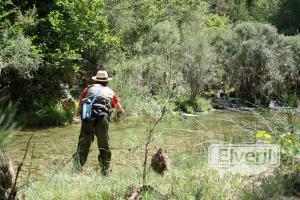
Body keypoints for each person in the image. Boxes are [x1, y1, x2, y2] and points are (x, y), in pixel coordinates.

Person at [73, 70, 124, 175]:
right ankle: (105, 171)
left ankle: (76, 170)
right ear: (106, 81)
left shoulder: (87, 89)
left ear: (96, 80)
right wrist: (119, 116)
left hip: (87, 118)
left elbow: (80, 105)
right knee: (104, 145)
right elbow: (119, 109)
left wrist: (77, 116)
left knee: (83, 144)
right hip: (102, 119)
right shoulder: (110, 92)